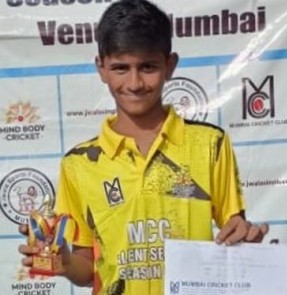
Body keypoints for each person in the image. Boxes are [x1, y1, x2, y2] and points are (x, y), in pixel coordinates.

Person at [19, 0, 269, 294]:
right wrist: (64, 262)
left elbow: (234, 230)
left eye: (147, 67)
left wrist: (245, 239)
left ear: (170, 65)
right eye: (120, 68)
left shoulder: (210, 144)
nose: (135, 83)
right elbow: (87, 267)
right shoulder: (78, 164)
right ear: (101, 69)